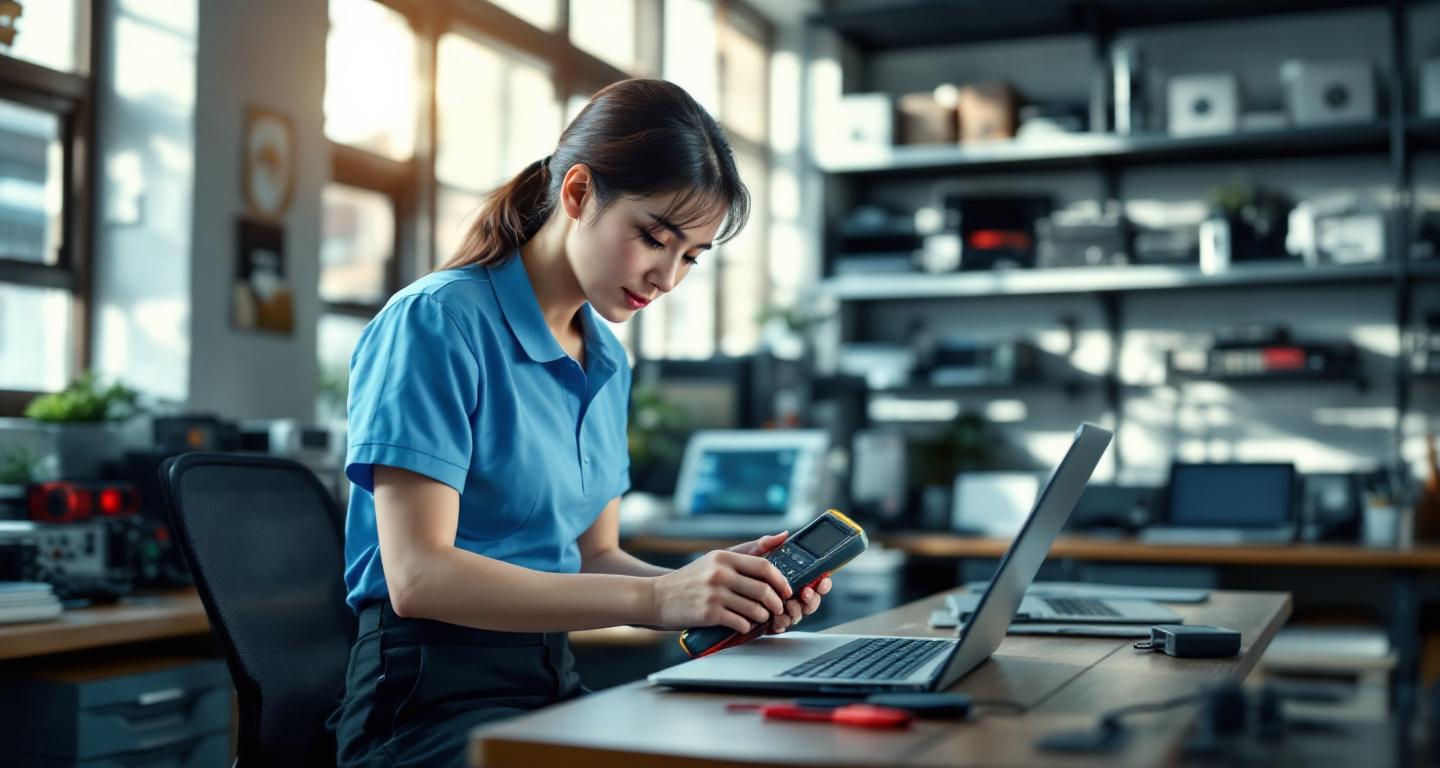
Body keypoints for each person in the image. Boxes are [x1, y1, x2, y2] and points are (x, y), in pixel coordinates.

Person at [328, 78, 832, 767]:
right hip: (422, 700)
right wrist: (656, 597)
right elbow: (419, 577)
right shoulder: (438, 321)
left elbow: (594, 557)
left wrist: (709, 590)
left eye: (690, 256)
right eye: (655, 237)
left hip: (546, 680)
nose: (667, 277)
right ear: (577, 194)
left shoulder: (605, 360)